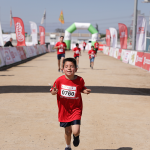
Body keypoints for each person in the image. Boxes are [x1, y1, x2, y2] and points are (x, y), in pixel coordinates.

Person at [50, 58, 91, 150]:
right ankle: (68, 146)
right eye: (66, 66)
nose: (69, 68)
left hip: (76, 108)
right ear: (63, 69)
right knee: (68, 131)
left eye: (72, 66)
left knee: (75, 131)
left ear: (76, 69)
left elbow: (81, 88)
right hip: (64, 110)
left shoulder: (80, 80)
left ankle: (76, 136)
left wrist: (85, 90)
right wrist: (54, 91)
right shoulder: (59, 80)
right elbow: (52, 91)